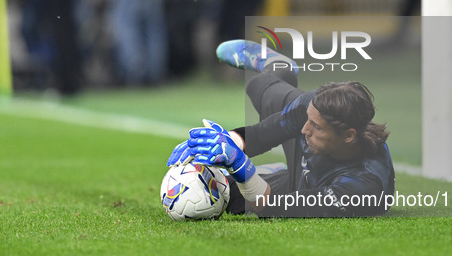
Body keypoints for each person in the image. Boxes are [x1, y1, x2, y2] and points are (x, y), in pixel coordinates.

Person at [167, 40, 395, 217]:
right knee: (258, 85)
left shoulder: (363, 188)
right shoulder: (311, 108)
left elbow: (273, 206)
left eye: (315, 126)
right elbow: (261, 134)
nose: (304, 130)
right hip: (308, 170)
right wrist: (224, 142)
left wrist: (241, 167)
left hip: (309, 189)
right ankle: (278, 64)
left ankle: (278, 173)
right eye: (307, 120)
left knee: (227, 195)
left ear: (348, 136)